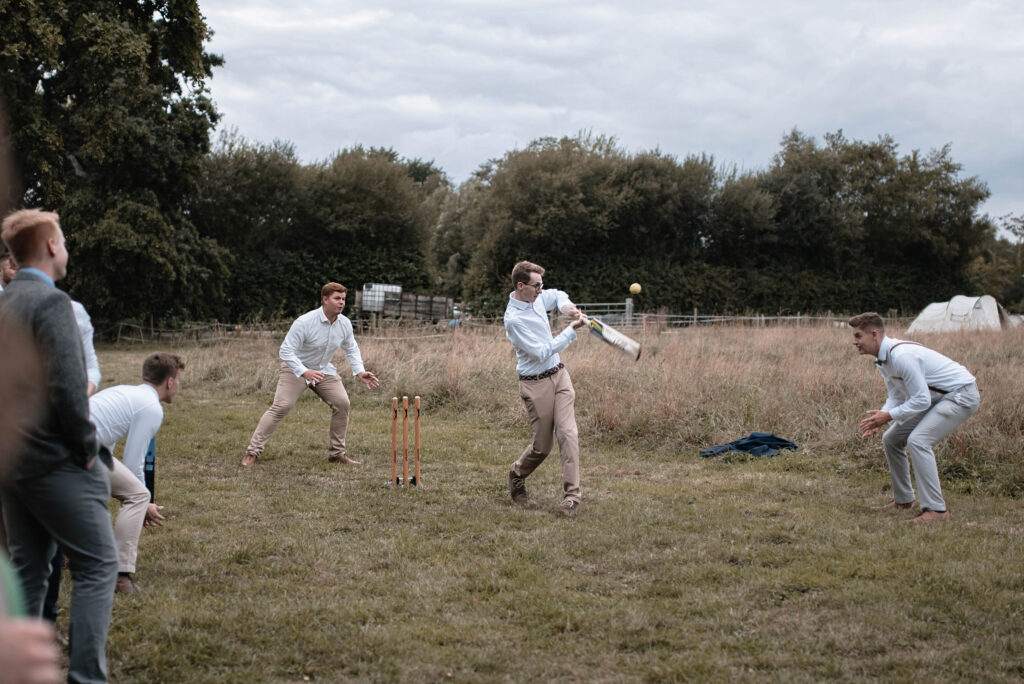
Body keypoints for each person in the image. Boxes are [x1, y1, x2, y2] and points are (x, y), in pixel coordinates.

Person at [0, 208, 118, 682]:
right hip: (56, 461)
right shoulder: (52, 305)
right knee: (97, 565)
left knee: (29, 571)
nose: (65, 249)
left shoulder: (5, 302)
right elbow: (69, 391)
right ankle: (86, 677)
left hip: (11, 461)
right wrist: (89, 450)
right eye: (63, 241)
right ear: (50, 246)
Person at [850, 312, 981, 523]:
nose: (854, 342)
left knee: (919, 440)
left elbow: (921, 400)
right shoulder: (883, 360)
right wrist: (881, 418)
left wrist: (888, 416)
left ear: (874, 334)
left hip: (960, 395)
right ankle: (903, 500)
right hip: (936, 398)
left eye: (858, 336)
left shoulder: (901, 356)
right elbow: (897, 396)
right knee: (891, 439)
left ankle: (936, 511)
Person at [242, 282, 380, 466]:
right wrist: (304, 371)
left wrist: (360, 371)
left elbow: (351, 349)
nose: (341, 303)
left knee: (342, 403)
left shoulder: (344, 323)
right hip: (296, 369)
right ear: (325, 299)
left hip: (323, 370)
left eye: (343, 299)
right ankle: (253, 451)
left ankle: (337, 454)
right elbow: (285, 351)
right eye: (337, 298)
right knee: (282, 406)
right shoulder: (305, 322)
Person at [90, 352, 183, 594]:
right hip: (78, 448)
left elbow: (104, 439)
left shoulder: (125, 392)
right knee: (138, 496)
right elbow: (133, 465)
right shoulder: (151, 407)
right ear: (170, 381)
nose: (178, 386)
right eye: (179, 380)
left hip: (60, 441)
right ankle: (120, 576)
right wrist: (147, 503)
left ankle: (75, 553)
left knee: (93, 491)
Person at [503, 261, 589, 516]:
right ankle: (517, 473)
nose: (542, 290)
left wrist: (568, 308)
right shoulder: (514, 320)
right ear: (521, 286)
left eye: (541, 285)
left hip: (560, 376)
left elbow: (558, 295)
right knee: (543, 446)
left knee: (567, 434)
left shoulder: (538, 297)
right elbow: (541, 352)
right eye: (536, 285)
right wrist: (571, 330)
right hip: (535, 385)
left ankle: (572, 497)